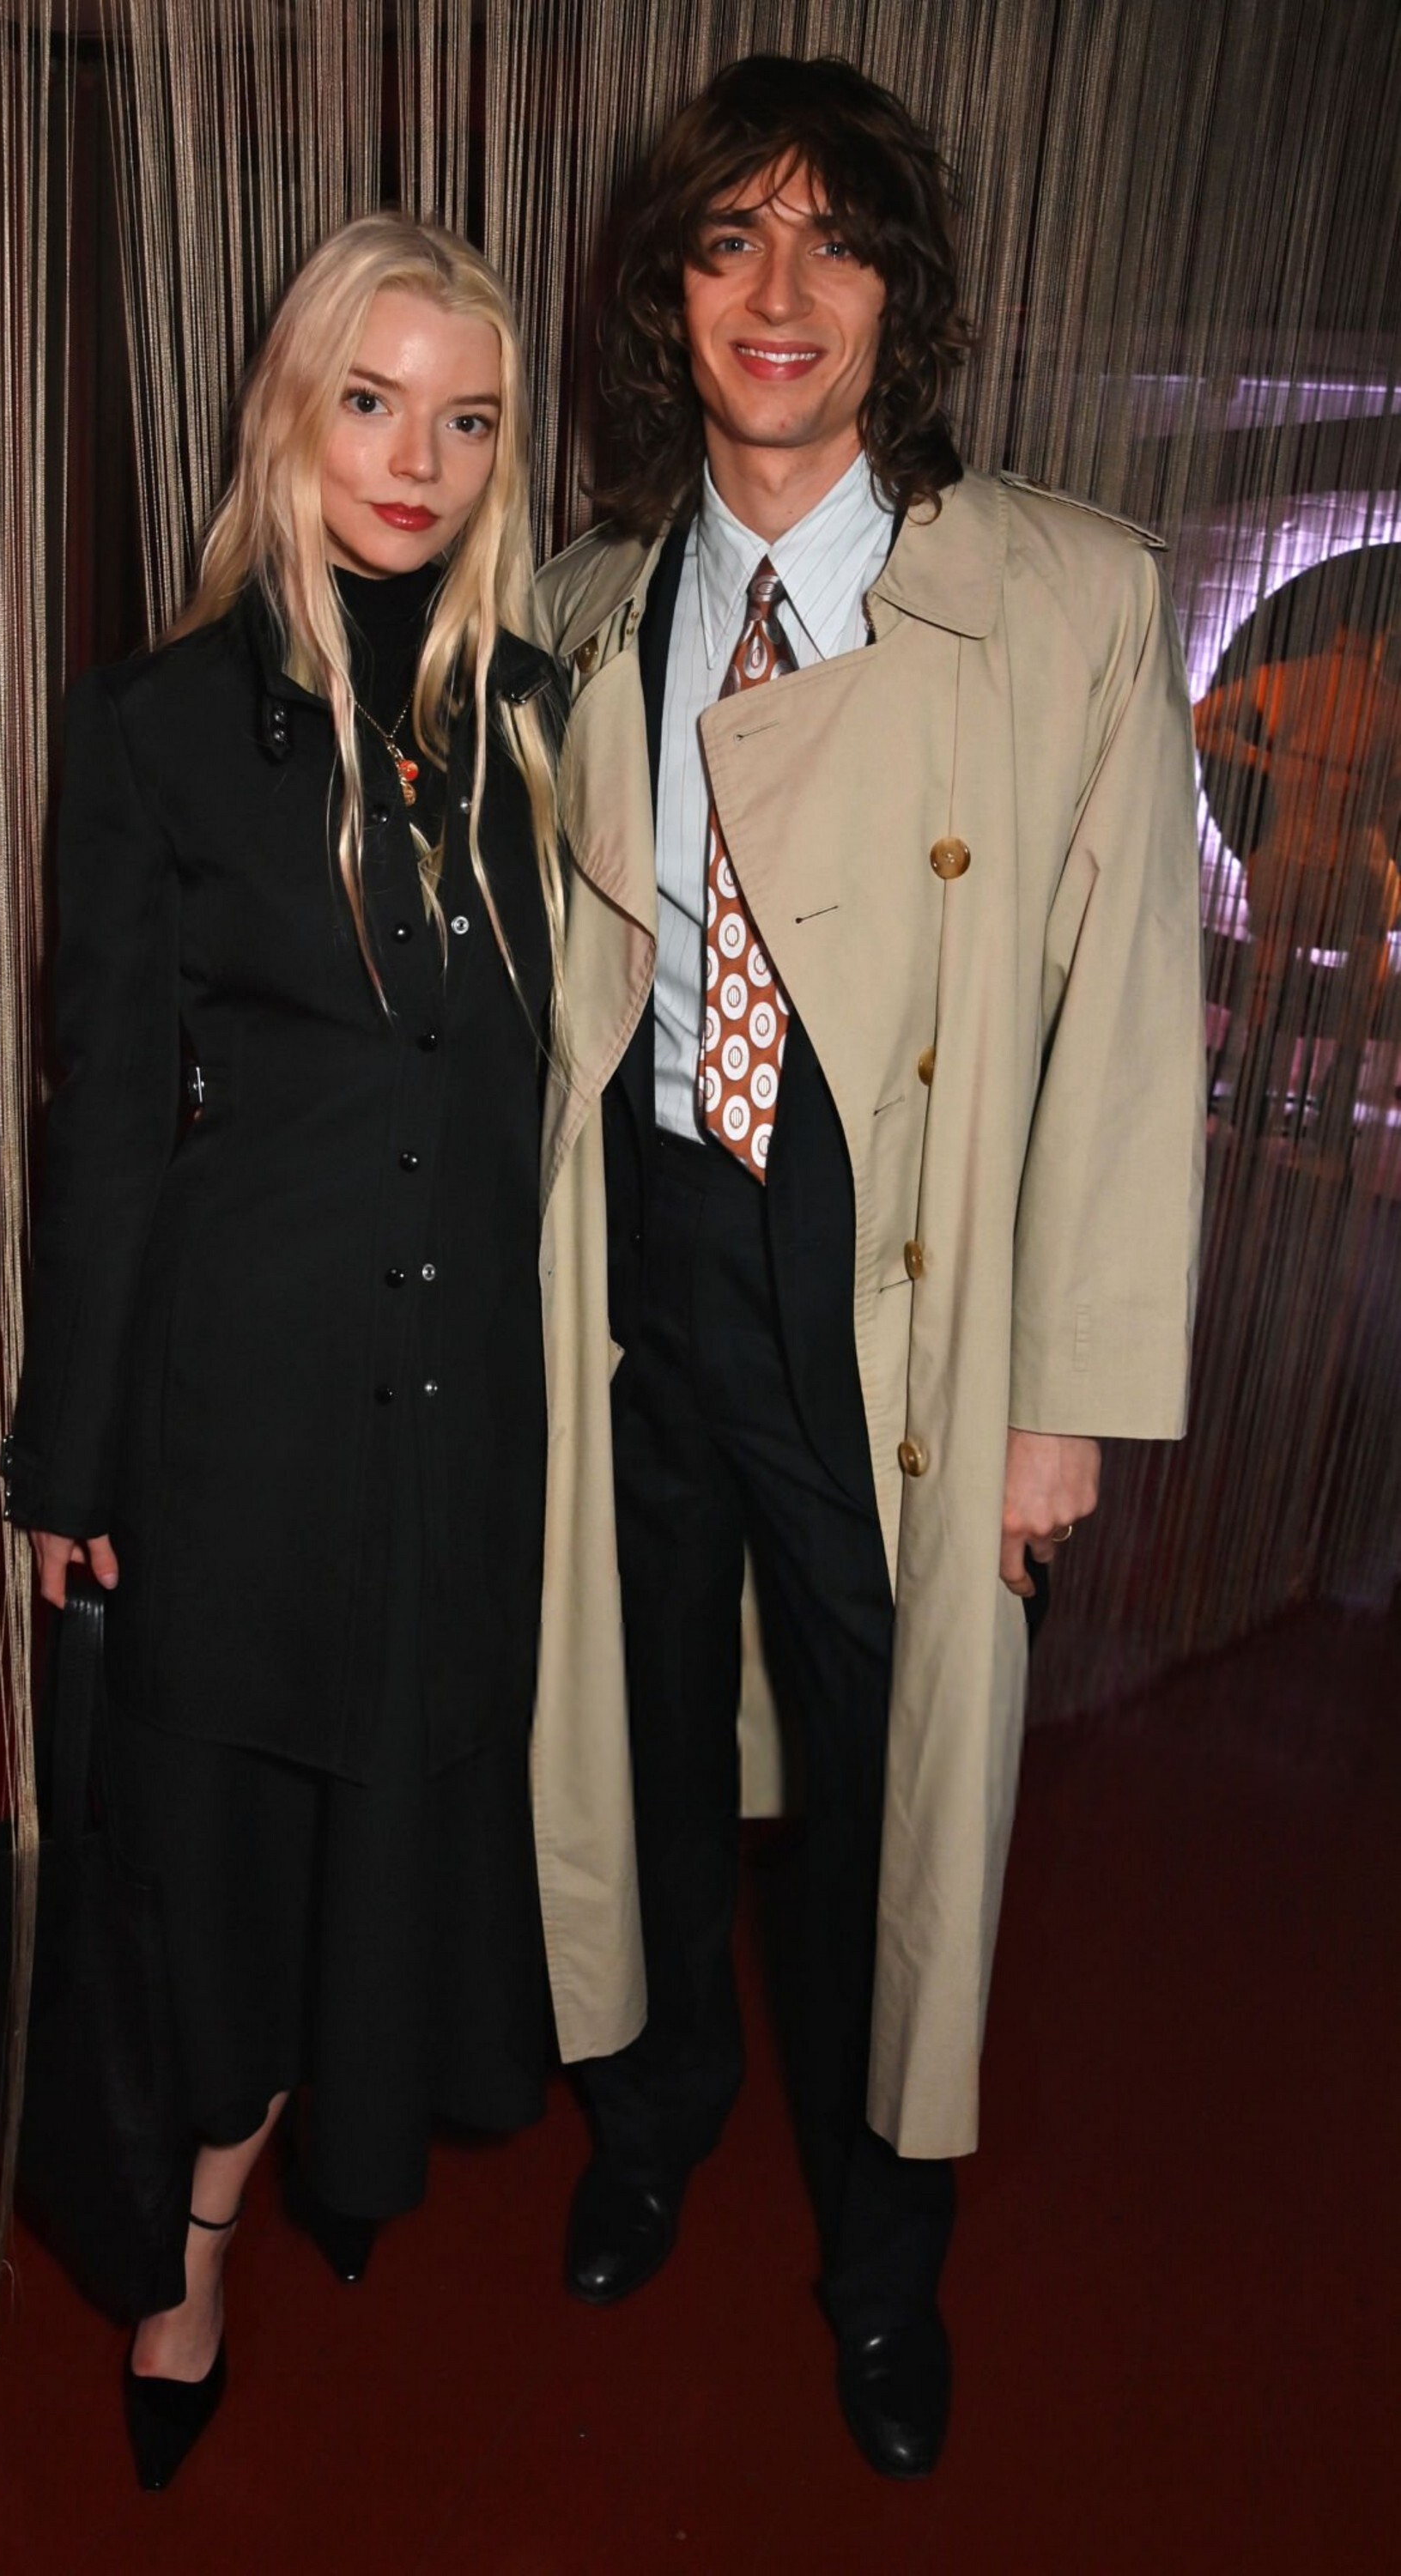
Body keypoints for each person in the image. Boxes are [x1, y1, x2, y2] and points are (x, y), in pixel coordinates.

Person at [531, 54, 1206, 2477]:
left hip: (893, 1284)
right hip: (642, 1252)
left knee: (884, 1804)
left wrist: (1058, 1399)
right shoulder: (586, 603)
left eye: (833, 238)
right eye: (727, 237)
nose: (778, 289)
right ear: (665, 294)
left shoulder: (1061, 596)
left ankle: (878, 2258)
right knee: (629, 1735)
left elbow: (1125, 1014)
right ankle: (647, 2123)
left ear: (900, 296)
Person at [0, 215, 638, 2492]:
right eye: (370, 401)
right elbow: (104, 1130)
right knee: (221, 1862)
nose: (415, 459)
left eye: (464, 420)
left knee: (389, 1834)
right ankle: (184, 2257)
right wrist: (68, 1464)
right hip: (240, 1407)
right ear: (290, 410)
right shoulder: (155, 728)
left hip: (464, 1415)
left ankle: (333, 2159)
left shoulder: (536, 722)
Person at [1194, 592, 1401, 1162]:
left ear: (1335, 626)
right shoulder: (1391, 704)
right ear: (1383, 635)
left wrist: (1266, 760)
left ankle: (1251, 1081)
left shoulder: (1284, 681)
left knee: (1271, 959)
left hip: (1286, 861)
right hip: (1357, 870)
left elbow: (1199, 723)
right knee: (1371, 952)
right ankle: (1339, 1092)